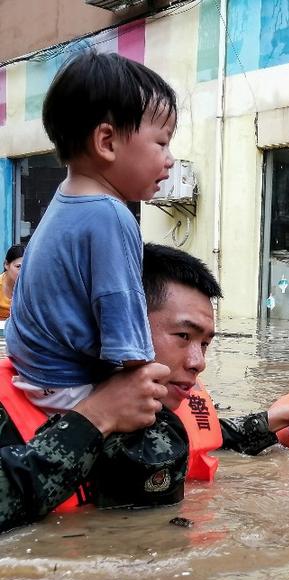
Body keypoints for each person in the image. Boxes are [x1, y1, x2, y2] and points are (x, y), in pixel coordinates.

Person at [0, 244, 289, 532]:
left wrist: (277, 418)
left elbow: (212, 436)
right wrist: (95, 418)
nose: (199, 362)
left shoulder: (169, 400)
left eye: (205, 344)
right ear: (118, 325)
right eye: (183, 336)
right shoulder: (11, 402)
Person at [5, 50, 177, 415]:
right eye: (161, 142)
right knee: (165, 422)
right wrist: (158, 377)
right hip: (70, 387)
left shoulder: (65, 201)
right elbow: (125, 329)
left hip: (36, 375)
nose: (170, 158)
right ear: (107, 142)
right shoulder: (110, 215)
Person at [0, 244, 25, 320]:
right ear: (6, 265)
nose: (22, 272)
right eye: (18, 267)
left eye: (25, 267)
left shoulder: (29, 287)